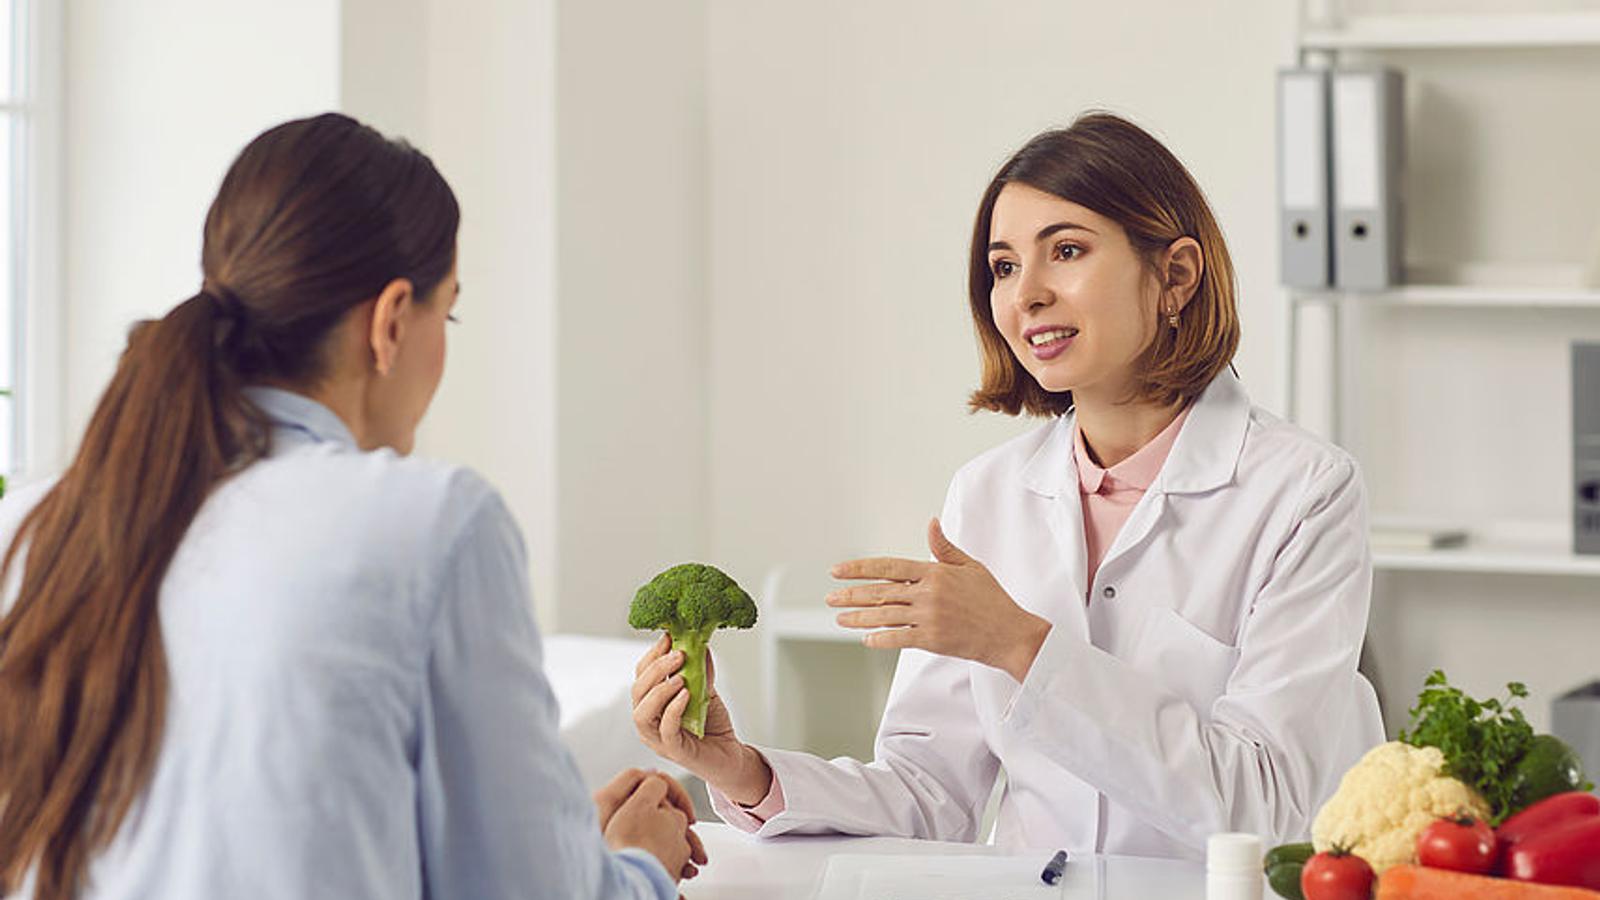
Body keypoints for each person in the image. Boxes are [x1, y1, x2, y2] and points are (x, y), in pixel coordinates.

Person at [630, 111, 1385, 860]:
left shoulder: (1303, 493)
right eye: (1003, 266)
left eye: (1066, 250)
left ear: (1176, 276)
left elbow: (1268, 809)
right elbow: (929, 797)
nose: (1026, 295)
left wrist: (1021, 645)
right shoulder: (987, 495)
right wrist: (745, 772)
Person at [0, 113, 702, 900]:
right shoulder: (433, 523)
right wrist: (642, 864)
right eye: (451, 312)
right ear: (391, 321)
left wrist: (572, 844)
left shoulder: (31, 531)